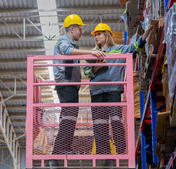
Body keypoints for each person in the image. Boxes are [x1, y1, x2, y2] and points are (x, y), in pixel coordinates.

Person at [84, 23, 153, 168]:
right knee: (99, 125)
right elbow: (86, 72)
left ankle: (121, 151)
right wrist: (97, 66)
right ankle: (105, 155)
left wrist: (148, 30)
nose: (96, 37)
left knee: (116, 120)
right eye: (95, 35)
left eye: (99, 34)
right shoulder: (92, 54)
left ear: (107, 35)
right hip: (96, 92)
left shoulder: (118, 50)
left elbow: (136, 47)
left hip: (113, 90)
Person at [49, 14, 105, 168]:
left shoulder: (74, 46)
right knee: (68, 117)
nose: (81, 32)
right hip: (65, 83)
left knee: (70, 117)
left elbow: (79, 55)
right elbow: (66, 51)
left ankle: (63, 148)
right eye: (79, 29)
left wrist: (94, 57)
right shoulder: (64, 41)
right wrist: (92, 53)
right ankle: (58, 152)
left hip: (71, 85)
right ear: (71, 29)